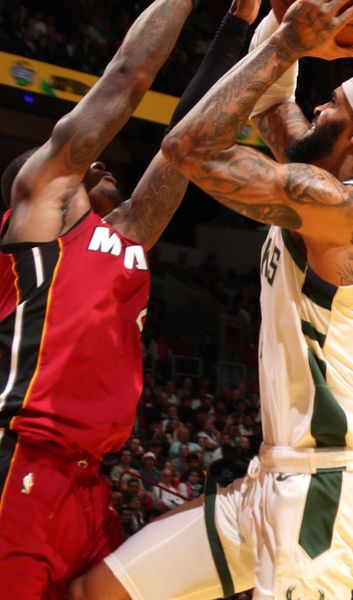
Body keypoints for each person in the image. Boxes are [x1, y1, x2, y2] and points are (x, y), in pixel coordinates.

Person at [70, 0, 353, 599]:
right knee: (99, 592)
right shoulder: (315, 179)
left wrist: (288, 46)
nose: (318, 104)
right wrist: (276, 25)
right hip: (269, 478)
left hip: (323, 490)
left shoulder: (346, 212)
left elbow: (191, 147)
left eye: (334, 103)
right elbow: (268, 101)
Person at [0, 0, 261, 596]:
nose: (102, 159)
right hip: (23, 465)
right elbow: (126, 78)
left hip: (91, 487)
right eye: (85, 165)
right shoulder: (38, 219)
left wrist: (237, 27)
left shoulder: (123, 237)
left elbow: (185, 145)